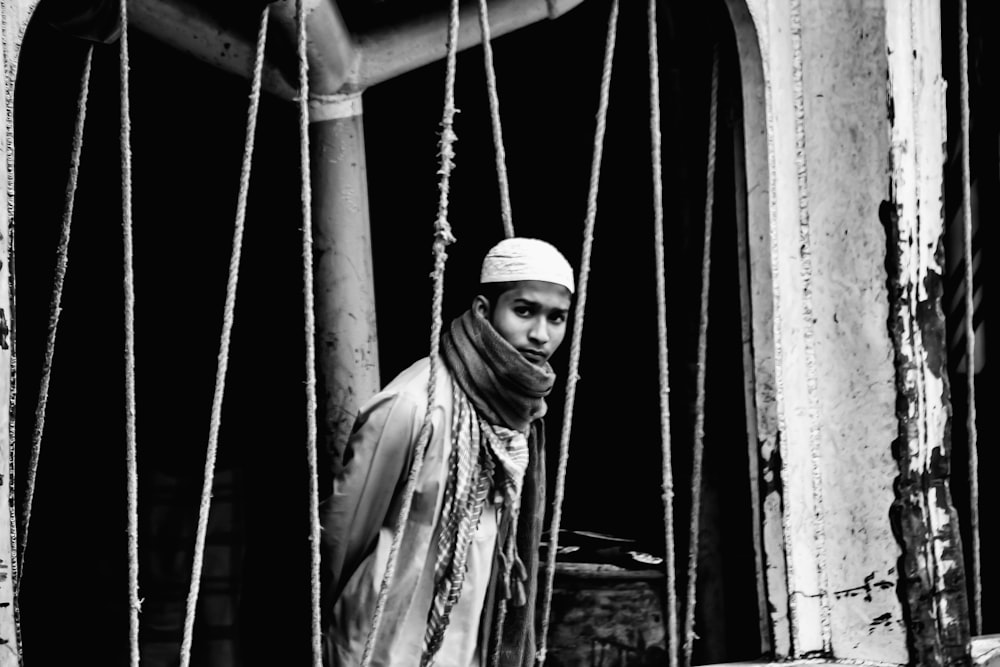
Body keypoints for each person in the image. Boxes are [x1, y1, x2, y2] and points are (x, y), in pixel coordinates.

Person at [321, 237, 575, 667]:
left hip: (469, 639)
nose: (540, 335)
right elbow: (346, 534)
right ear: (483, 310)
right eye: (524, 310)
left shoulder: (520, 412)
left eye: (557, 318)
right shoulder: (415, 404)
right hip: (385, 642)